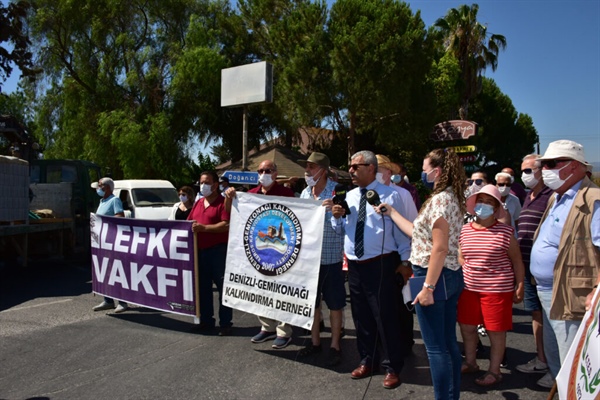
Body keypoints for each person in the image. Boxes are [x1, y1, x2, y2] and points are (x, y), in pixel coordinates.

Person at [376, 148, 467, 399]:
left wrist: (427, 287)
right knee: (447, 344)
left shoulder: (440, 200)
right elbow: (418, 231)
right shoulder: (449, 197)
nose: (423, 172)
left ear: (437, 171)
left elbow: (439, 247)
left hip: (434, 276)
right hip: (443, 275)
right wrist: (392, 212)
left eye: (425, 168)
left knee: (436, 348)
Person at [331, 150, 411, 390]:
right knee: (361, 316)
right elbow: (340, 231)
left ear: (371, 168)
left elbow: (400, 232)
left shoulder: (390, 195)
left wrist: (405, 262)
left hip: (381, 263)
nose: (351, 171)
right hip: (355, 265)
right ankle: (367, 360)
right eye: (350, 167)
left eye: (356, 166)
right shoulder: (349, 196)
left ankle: (392, 366)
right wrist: (336, 217)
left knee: (385, 316)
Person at [530, 140, 600, 390]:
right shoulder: (557, 197)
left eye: (550, 164)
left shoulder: (593, 200)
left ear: (573, 167)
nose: (544, 170)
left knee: (572, 359)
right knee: (556, 353)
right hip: (547, 289)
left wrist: (597, 292)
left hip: (572, 294)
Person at [458, 184, 525, 387]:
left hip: (497, 291)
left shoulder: (506, 232)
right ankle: (471, 362)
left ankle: (494, 371)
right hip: (468, 289)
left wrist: (520, 285)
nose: (483, 206)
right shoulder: (464, 230)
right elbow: (461, 255)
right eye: (480, 201)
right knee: (467, 327)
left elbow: (517, 261)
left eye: (489, 203)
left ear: (497, 209)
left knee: (496, 331)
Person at [224, 160, 296, 349]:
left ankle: (283, 331)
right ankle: (267, 327)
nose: (263, 173)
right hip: (259, 251)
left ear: (275, 173)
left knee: (281, 292)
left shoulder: (287, 194)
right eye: (261, 170)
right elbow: (231, 214)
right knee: (261, 290)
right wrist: (230, 197)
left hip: (281, 251)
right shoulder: (249, 196)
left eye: (268, 170)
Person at [297, 152, 345, 366]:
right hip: (309, 260)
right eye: (306, 167)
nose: (307, 171)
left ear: (323, 171)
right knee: (312, 304)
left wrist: (335, 215)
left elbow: (344, 228)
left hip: (330, 258)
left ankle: (335, 345)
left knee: (335, 305)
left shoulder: (337, 192)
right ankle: (315, 342)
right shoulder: (305, 193)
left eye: (311, 167)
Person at [513, 154, 554, 387]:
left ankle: (556, 366)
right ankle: (541, 358)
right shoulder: (529, 196)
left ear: (541, 170)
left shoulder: (551, 196)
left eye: (528, 170)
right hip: (528, 265)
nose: (524, 175)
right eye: (523, 170)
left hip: (546, 270)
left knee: (550, 318)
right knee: (536, 315)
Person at [376, 154, 418, 357]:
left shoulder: (401, 194)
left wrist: (407, 260)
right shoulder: (364, 193)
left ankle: (405, 341)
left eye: (379, 169)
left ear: (388, 173)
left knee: (402, 302)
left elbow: (411, 225)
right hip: (377, 257)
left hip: (398, 254)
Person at [188, 171, 233, 336]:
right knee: (203, 289)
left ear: (215, 185)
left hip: (218, 252)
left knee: (223, 289)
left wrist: (204, 228)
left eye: (206, 182)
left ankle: (225, 323)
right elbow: (189, 223)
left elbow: (226, 225)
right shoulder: (199, 203)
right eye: (201, 182)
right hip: (200, 252)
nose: (203, 185)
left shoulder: (223, 202)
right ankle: (206, 321)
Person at [91, 177, 129, 313]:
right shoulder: (102, 201)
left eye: (100, 186)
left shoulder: (114, 200)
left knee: (116, 271)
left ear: (106, 187)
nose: (98, 188)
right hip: (101, 242)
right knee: (105, 270)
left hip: (112, 241)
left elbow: (120, 216)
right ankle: (108, 300)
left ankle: (123, 302)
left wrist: (104, 221)